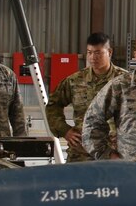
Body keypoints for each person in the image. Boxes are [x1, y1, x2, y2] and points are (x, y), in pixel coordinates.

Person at [44, 32, 120, 165]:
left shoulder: (123, 81)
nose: (93, 57)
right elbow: (53, 105)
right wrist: (65, 130)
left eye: (98, 53)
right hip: (81, 154)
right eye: (89, 52)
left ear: (110, 52)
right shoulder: (75, 81)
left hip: (113, 155)